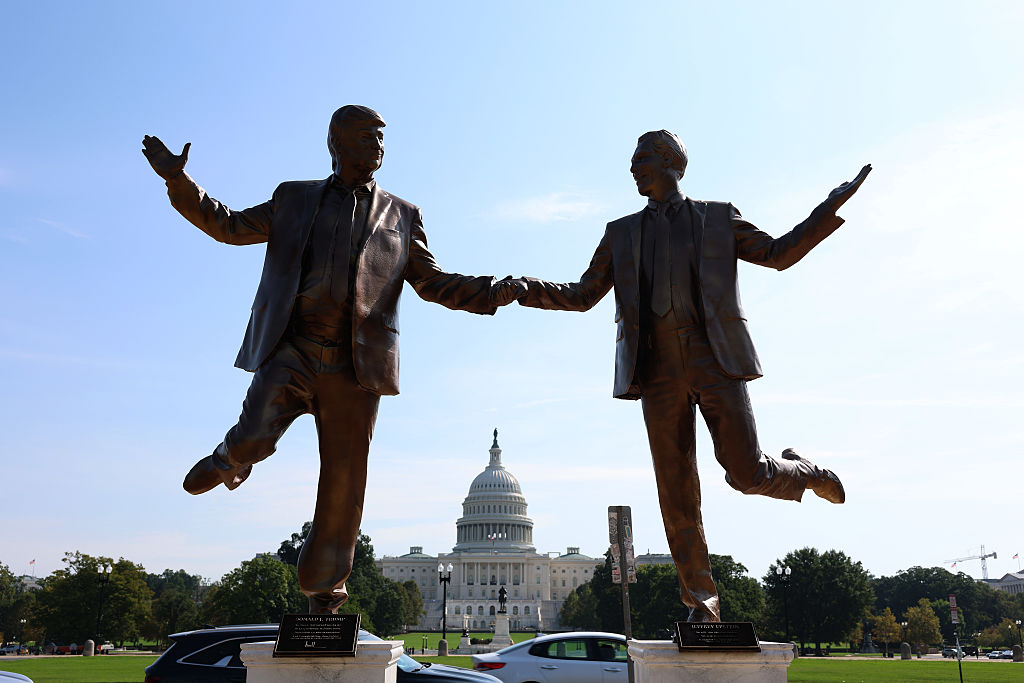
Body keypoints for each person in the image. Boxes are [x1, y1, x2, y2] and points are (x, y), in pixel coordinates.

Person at [142, 105, 522, 613]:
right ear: (336, 143)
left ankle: (324, 586)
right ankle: (231, 459)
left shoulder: (402, 215)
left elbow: (433, 283)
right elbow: (227, 225)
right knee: (255, 431)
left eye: (382, 139)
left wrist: (492, 292)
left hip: (355, 365)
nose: (378, 148)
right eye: (368, 138)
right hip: (293, 347)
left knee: (344, 481)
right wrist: (179, 180)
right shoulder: (294, 198)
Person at [514, 130, 870, 622]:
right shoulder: (620, 233)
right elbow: (581, 294)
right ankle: (702, 602)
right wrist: (522, 289)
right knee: (676, 488)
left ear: (673, 163)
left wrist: (825, 210)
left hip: (714, 359)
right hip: (656, 370)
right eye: (632, 162)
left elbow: (778, 254)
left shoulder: (718, 218)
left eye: (642, 160)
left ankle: (806, 472)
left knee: (746, 473)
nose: (633, 169)